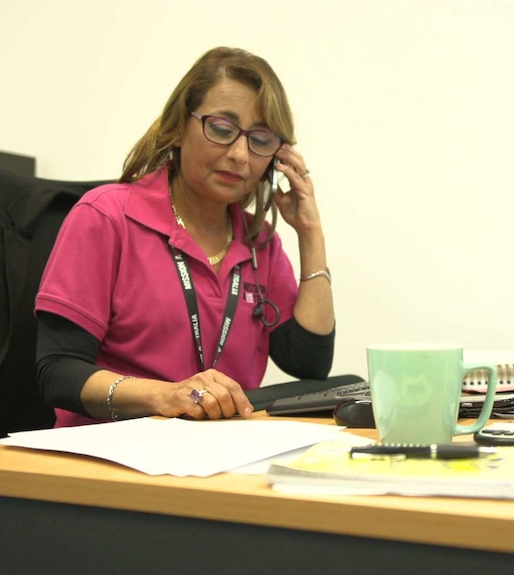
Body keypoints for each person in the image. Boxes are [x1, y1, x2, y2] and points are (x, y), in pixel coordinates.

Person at [35, 47, 335, 427]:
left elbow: (309, 363)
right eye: (222, 130)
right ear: (178, 128)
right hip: (110, 452)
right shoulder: (106, 217)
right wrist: (168, 395)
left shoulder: (259, 243)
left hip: (219, 453)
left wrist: (311, 233)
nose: (241, 155)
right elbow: (58, 371)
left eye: (260, 140)